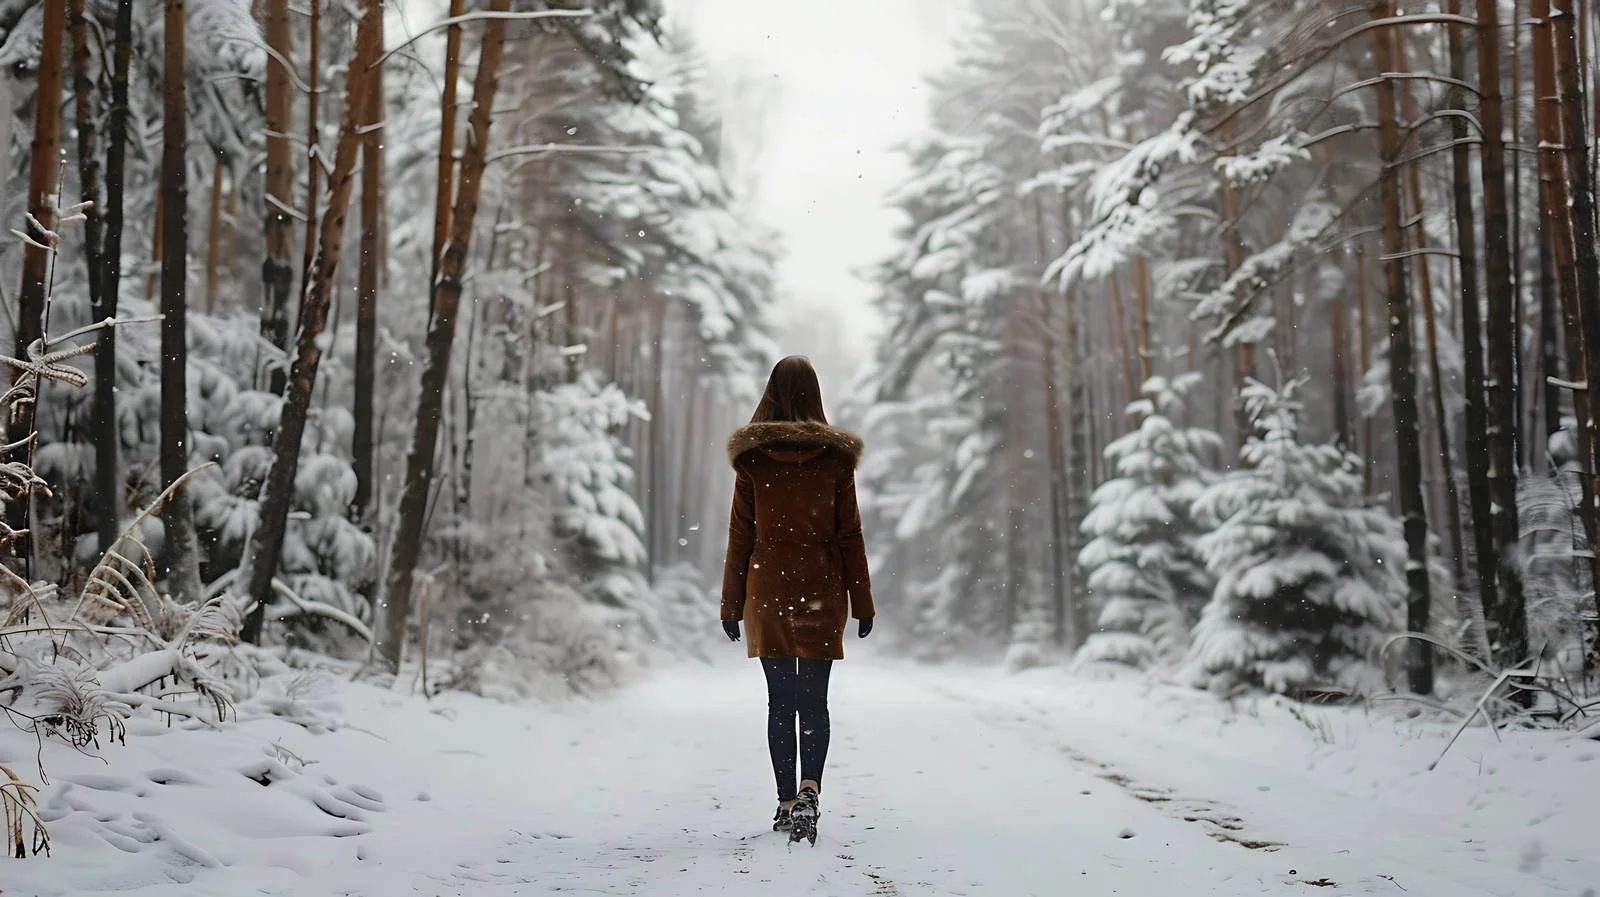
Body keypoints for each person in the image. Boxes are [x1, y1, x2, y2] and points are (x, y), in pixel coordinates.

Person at [720, 355, 874, 846]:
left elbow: (741, 537)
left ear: (770, 395)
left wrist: (730, 602)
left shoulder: (753, 461)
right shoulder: (835, 462)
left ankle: (786, 802)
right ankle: (811, 790)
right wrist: (862, 600)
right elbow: (849, 533)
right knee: (815, 700)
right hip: (822, 590)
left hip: (767, 590)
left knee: (780, 701)